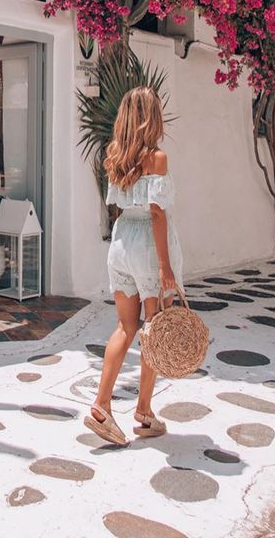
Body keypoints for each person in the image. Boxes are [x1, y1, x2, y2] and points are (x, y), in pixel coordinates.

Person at [84, 86, 184, 446]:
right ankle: (143, 410)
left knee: (125, 327)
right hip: (145, 244)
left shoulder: (115, 156)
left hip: (121, 241)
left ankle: (102, 406)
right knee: (154, 331)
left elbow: (119, 206)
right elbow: (157, 213)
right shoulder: (157, 158)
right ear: (150, 117)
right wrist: (165, 267)